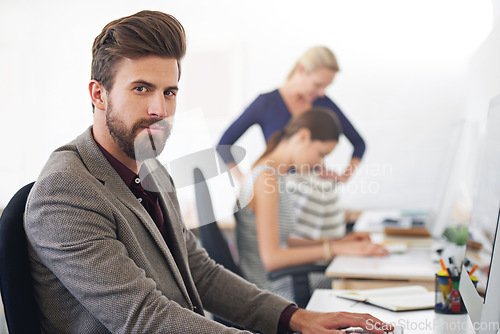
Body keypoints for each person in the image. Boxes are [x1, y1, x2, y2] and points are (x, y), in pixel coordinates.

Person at [24, 10, 391, 334]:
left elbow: (200, 273)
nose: (159, 109)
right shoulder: (66, 192)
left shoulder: (152, 170)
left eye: (169, 92)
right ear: (98, 94)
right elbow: (142, 318)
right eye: (141, 88)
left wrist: (296, 318)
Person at [235, 107, 388, 301]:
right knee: (364, 285)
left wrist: (338, 242)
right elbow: (272, 258)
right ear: (303, 136)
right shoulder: (266, 179)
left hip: (281, 281)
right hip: (271, 291)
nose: (320, 163)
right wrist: (334, 250)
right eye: (321, 153)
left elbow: (283, 240)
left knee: (361, 281)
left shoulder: (273, 175)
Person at [217, 46, 365, 184]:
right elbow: (223, 145)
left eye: (327, 86)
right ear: (301, 70)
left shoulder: (324, 103)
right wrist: (244, 182)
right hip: (278, 188)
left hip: (315, 189)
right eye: (318, 84)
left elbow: (359, 143)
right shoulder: (266, 103)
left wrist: (344, 177)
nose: (322, 92)